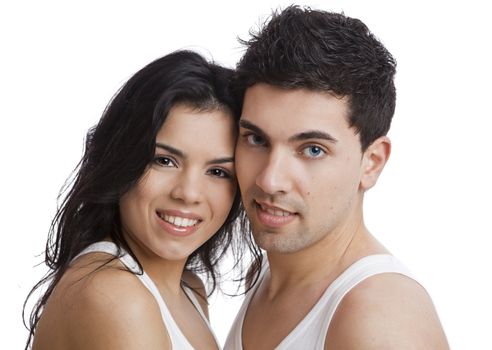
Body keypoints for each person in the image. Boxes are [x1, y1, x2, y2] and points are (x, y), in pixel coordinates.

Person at [226, 6, 449, 350]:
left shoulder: (378, 319)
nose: (270, 181)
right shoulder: (271, 274)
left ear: (371, 163)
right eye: (256, 139)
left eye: (312, 149)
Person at [24, 50, 246, 350]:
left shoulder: (190, 291)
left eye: (217, 171)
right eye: (165, 161)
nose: (188, 193)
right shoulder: (115, 295)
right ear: (123, 158)